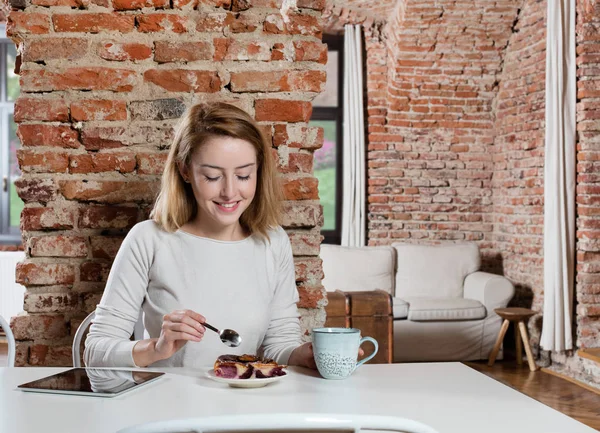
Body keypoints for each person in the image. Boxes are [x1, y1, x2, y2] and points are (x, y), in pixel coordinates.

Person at [84, 102, 317, 370]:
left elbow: (279, 346)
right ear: (185, 171)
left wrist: (309, 355)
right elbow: (95, 351)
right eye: (212, 176)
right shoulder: (149, 239)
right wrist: (156, 348)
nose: (230, 192)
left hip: (245, 406)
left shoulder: (272, 243)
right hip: (166, 405)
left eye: (243, 175)